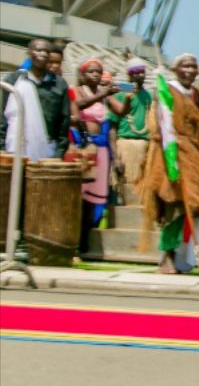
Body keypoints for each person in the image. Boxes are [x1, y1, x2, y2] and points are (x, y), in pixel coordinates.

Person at [140, 53, 199, 274]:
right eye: (185, 66)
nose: (190, 71)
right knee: (171, 204)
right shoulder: (166, 91)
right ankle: (166, 257)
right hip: (169, 153)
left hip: (192, 155)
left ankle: (183, 256)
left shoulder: (196, 94)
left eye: (193, 67)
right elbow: (162, 125)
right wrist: (172, 156)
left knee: (193, 204)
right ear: (175, 69)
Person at [69, 58, 125, 251]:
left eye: (98, 72)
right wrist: (102, 93)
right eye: (91, 71)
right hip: (84, 147)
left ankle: (86, 239)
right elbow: (78, 105)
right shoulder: (77, 91)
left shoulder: (104, 94)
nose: (95, 75)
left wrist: (128, 96)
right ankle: (73, 238)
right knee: (79, 193)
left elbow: (121, 111)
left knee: (96, 197)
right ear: (82, 74)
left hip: (101, 150)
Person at [2, 39, 70, 159]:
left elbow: (64, 121)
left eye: (46, 51)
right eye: (38, 50)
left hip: (47, 150)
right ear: (29, 53)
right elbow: (2, 115)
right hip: (15, 148)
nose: (42, 54)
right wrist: (2, 148)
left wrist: (59, 152)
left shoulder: (59, 84)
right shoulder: (14, 80)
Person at [110, 58, 152, 203]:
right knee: (126, 189)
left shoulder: (148, 96)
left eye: (142, 72)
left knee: (143, 189)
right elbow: (112, 128)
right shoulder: (120, 95)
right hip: (126, 146)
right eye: (136, 72)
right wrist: (115, 157)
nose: (140, 75)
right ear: (129, 74)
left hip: (144, 146)